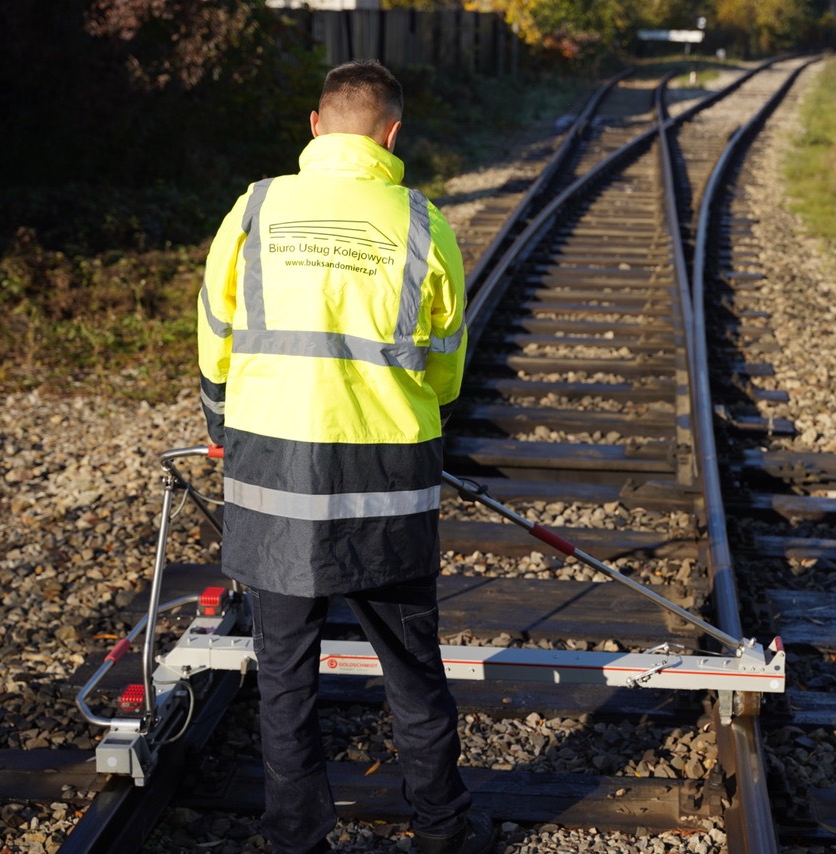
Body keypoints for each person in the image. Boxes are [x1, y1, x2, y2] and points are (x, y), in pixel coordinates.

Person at [196, 59, 493, 854]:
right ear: (391, 134)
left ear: (315, 125)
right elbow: (446, 369)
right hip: (385, 488)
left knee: (285, 673)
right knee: (411, 668)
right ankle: (442, 830)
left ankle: (298, 838)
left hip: (273, 479)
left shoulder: (254, 208)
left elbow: (215, 340)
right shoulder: (423, 223)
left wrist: (225, 423)